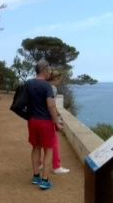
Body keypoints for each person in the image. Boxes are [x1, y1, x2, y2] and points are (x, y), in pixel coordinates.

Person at [26, 60, 63, 190]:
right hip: (45, 122)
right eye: (49, 71)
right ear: (44, 70)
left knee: (36, 147)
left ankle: (36, 176)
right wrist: (57, 122)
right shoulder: (46, 86)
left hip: (32, 120)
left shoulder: (29, 84)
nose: (50, 73)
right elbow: (51, 105)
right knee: (49, 149)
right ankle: (45, 180)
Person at [48, 70, 70, 174]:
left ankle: (39, 163)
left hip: (39, 117)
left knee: (40, 143)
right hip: (49, 118)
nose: (59, 82)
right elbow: (51, 104)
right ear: (55, 79)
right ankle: (56, 166)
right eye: (58, 80)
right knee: (55, 141)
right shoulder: (53, 88)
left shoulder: (44, 85)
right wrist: (57, 117)